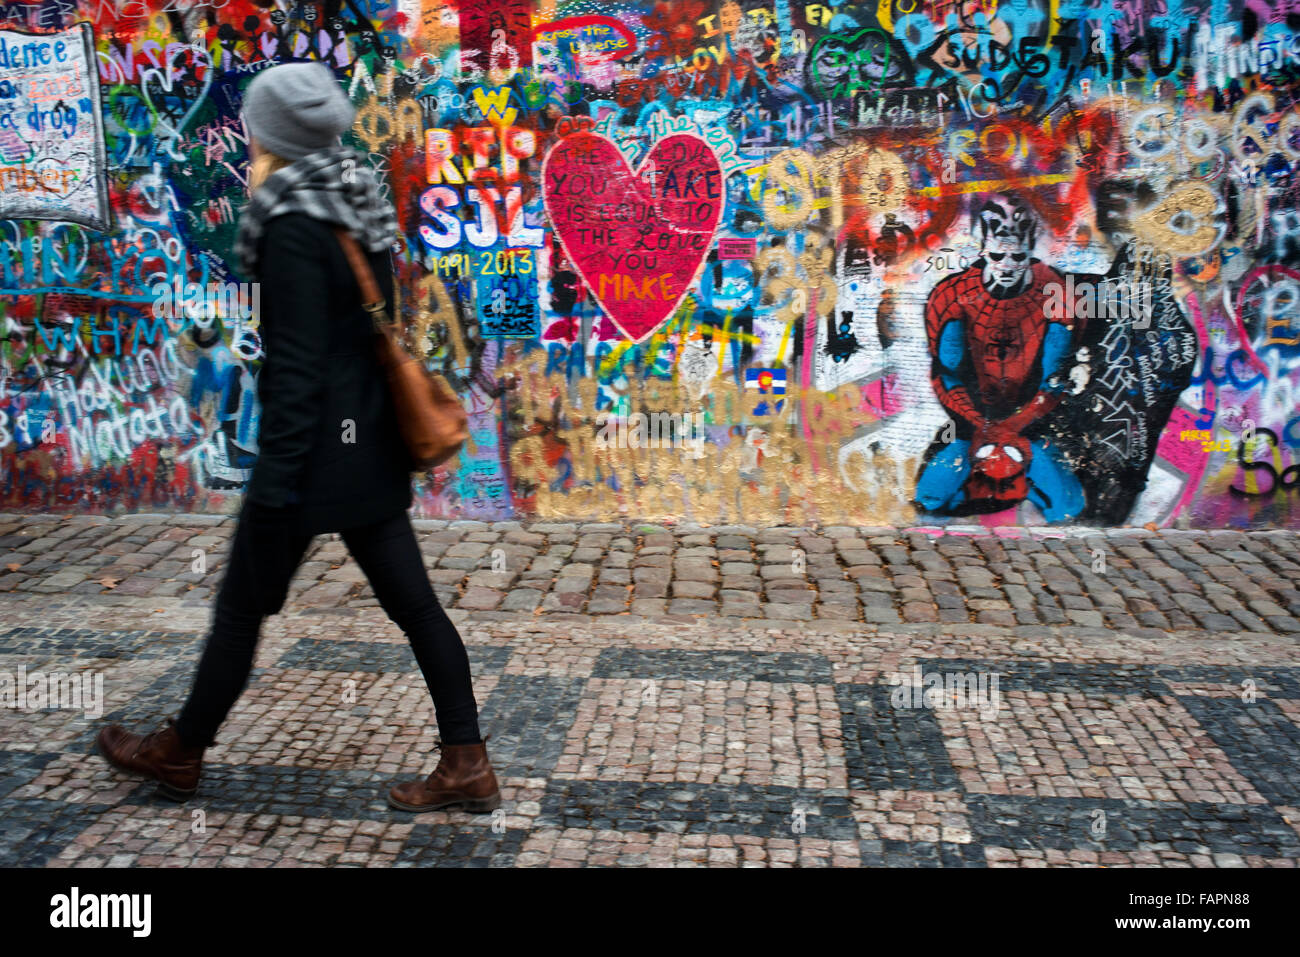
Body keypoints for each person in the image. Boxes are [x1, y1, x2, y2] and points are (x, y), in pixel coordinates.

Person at [96, 62, 499, 815]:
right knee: (416, 607)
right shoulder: (356, 195)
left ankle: (181, 751)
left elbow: (300, 366)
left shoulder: (288, 222)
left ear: (271, 134)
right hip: (367, 449)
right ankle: (466, 760)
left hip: (308, 459)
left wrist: (274, 484)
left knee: (241, 613)